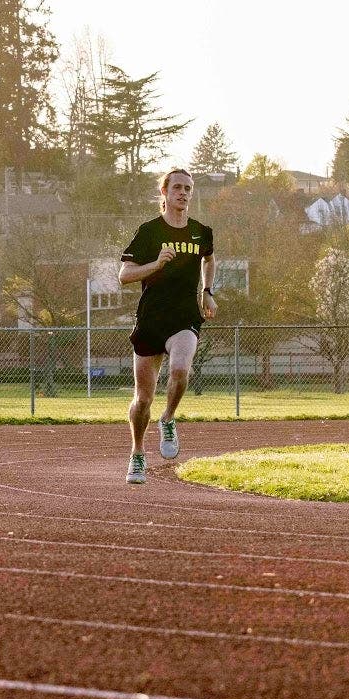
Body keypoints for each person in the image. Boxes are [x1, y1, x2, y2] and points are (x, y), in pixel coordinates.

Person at [117, 167, 215, 483]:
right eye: (177, 187)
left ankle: (168, 419)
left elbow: (209, 259)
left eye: (188, 188)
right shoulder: (149, 231)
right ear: (165, 192)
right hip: (151, 320)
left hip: (184, 317)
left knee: (180, 370)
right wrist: (156, 264)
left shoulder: (201, 232)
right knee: (143, 399)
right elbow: (124, 276)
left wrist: (207, 291)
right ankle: (137, 453)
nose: (183, 193)